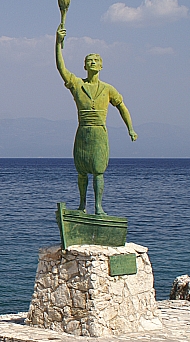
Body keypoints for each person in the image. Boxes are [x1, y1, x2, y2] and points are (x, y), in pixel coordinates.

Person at [55, 25, 137, 215]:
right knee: (82, 171)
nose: (92, 62)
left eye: (95, 60)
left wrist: (130, 128)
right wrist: (58, 43)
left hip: (100, 132)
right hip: (83, 132)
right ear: (84, 66)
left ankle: (98, 207)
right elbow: (61, 67)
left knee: (99, 171)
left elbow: (122, 106)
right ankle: (82, 205)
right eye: (89, 60)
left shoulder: (108, 89)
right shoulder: (77, 84)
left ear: (101, 66)